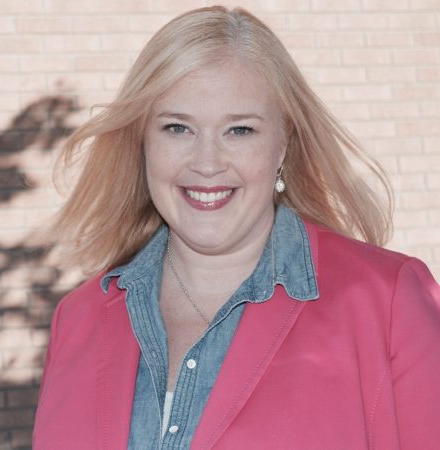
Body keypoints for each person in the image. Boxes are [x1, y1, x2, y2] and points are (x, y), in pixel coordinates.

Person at [32, 6, 440, 450]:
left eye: (240, 130)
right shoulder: (77, 320)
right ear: (142, 141)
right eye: (177, 128)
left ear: (283, 144)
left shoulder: (388, 303)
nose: (207, 163)